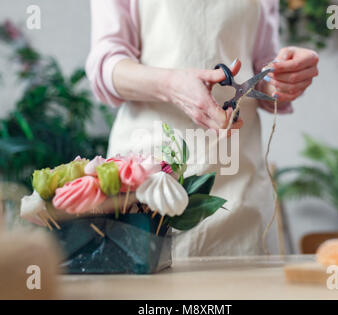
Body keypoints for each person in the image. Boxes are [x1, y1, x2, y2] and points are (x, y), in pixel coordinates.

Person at [86, 0, 319, 257]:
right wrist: (171, 85)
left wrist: (284, 77)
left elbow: (261, 66)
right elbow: (106, 64)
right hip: (146, 187)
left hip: (241, 192)